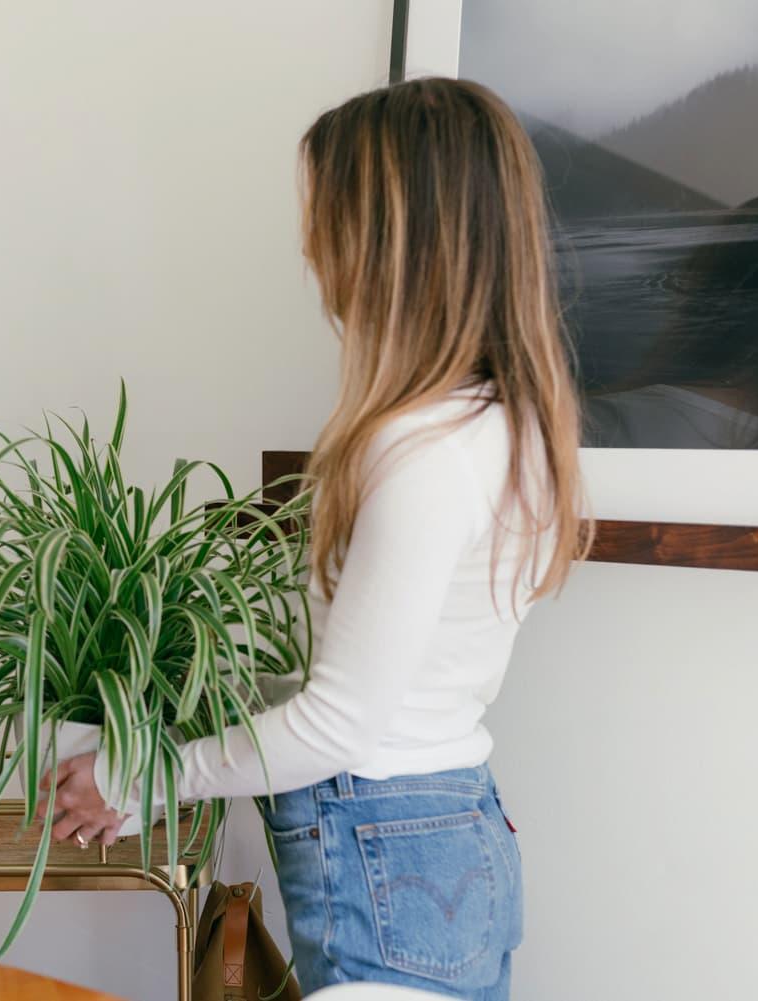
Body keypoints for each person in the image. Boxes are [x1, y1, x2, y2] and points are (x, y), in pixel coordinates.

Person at [41, 78, 590, 999]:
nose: (310, 248)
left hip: (390, 850)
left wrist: (146, 773)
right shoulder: (509, 429)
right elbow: (385, 682)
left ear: (392, 240)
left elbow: (341, 723)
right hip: (453, 827)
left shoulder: (422, 454)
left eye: (328, 219)